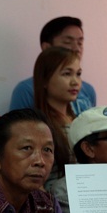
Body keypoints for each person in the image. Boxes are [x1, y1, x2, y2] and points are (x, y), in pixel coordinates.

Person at [9, 16, 96, 114]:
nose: (77, 49)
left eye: (80, 43)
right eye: (67, 42)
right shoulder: (26, 90)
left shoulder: (88, 90)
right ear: (47, 48)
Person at [32, 46, 81, 188]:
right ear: (45, 80)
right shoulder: (38, 126)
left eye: (78, 74)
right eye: (67, 74)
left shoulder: (78, 121)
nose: (75, 81)